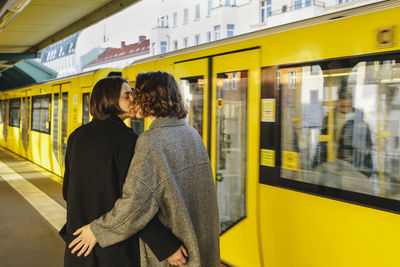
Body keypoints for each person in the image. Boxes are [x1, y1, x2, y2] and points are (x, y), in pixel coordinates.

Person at [68, 71, 220, 267]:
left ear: (149, 98)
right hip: (196, 243)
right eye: (129, 95)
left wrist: (97, 230)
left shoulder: (149, 141)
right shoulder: (191, 133)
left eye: (136, 94)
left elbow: (137, 204)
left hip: (173, 252)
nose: (134, 100)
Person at [313, 85, 374, 188]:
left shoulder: (361, 124)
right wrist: (316, 166)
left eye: (348, 106)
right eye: (342, 106)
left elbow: (367, 152)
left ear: (352, 104)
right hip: (329, 170)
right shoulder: (329, 119)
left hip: (351, 172)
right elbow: (322, 146)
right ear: (338, 103)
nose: (345, 110)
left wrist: (365, 175)